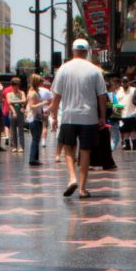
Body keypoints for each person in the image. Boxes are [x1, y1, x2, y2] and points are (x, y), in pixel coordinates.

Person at [52, 39, 107, 199]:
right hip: (89, 117)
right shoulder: (95, 70)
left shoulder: (63, 69)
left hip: (69, 115)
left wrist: (54, 116)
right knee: (85, 151)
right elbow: (102, 96)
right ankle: (82, 188)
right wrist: (102, 116)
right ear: (87, 51)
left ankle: (72, 178)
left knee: (68, 148)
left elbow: (56, 96)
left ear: (73, 50)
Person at [26, 74, 47, 166]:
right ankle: (33, 158)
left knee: (36, 138)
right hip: (33, 118)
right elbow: (32, 106)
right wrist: (43, 103)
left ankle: (35, 158)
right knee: (35, 138)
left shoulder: (35, 92)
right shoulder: (33, 93)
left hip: (37, 117)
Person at [116, 76, 136, 150]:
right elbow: (116, 103)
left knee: (133, 131)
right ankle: (127, 144)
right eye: (123, 82)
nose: (125, 83)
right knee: (125, 131)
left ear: (128, 82)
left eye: (126, 81)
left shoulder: (133, 90)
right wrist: (116, 116)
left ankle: (135, 145)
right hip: (122, 115)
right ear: (121, 83)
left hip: (132, 114)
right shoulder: (118, 91)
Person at [7, 77, 26, 153]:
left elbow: (24, 100)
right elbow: (9, 103)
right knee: (13, 130)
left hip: (20, 113)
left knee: (21, 130)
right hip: (12, 113)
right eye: (16, 85)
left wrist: (14, 101)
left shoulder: (22, 93)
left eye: (18, 85)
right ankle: (15, 146)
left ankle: (22, 146)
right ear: (12, 85)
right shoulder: (9, 94)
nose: (17, 86)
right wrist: (14, 111)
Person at [107, 81, 122, 150]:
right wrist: (119, 107)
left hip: (107, 119)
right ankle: (110, 150)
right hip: (112, 119)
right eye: (113, 85)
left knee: (110, 137)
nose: (114, 86)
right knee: (115, 138)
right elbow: (113, 106)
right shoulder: (111, 95)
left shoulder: (104, 94)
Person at [38, 81, 53, 148]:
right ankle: (43, 141)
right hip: (45, 111)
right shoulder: (48, 91)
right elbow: (51, 102)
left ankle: (36, 140)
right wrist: (49, 110)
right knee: (45, 126)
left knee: (37, 126)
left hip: (36, 110)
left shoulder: (36, 90)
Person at [2, 81, 14, 147]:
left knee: (6, 125)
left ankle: (7, 136)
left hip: (5, 109)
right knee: (12, 125)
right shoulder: (17, 90)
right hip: (13, 110)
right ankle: (12, 141)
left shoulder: (5, 89)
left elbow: (3, 99)